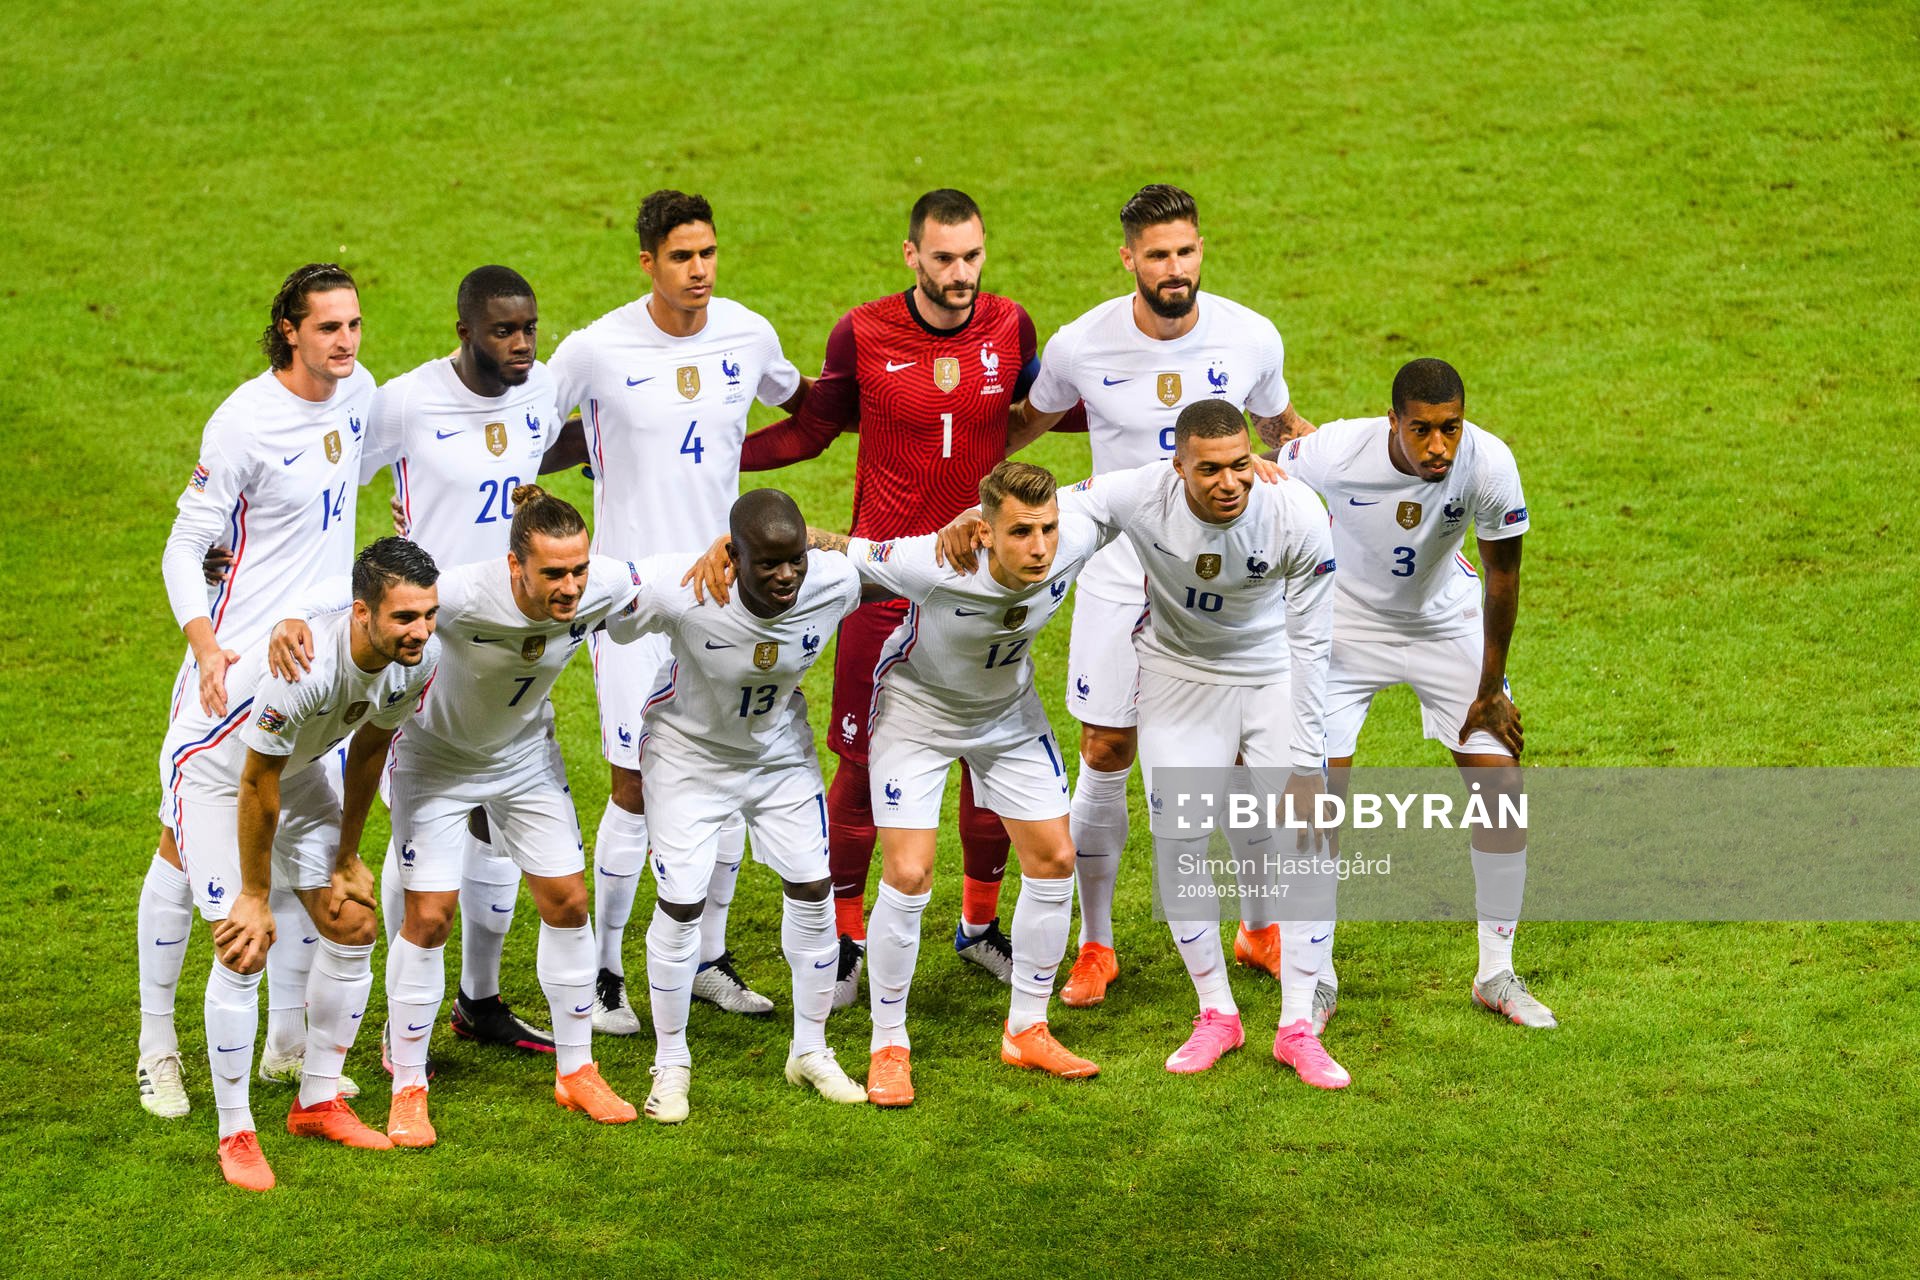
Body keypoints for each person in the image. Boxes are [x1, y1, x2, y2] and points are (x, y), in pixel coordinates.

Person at [1009, 185, 1315, 1008]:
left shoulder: (1250, 334)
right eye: (1156, 256)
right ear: (1129, 259)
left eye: (1185, 252)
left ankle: (1259, 929)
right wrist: (970, 502)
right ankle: (1096, 943)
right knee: (1107, 749)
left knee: (1252, 757)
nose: (1173, 270)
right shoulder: (1082, 345)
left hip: (1224, 583)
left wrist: (1318, 475)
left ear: (1200, 250)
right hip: (1120, 576)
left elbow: (1282, 424)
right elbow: (1020, 430)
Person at [738, 189, 1045, 1007]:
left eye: (973, 256)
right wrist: (703, 458)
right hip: (879, 582)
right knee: (862, 764)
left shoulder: (1012, 326)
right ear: (911, 254)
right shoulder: (862, 332)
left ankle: (980, 927)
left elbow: (1043, 409)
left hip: (982, 584)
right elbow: (812, 430)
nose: (961, 274)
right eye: (944, 258)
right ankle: (844, 937)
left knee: (989, 755)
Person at [275, 488, 647, 1140]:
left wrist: (725, 554)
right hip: (435, 761)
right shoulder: (462, 593)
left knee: (568, 902)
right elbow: (365, 597)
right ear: (514, 568)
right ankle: (409, 1084)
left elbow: (672, 581)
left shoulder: (604, 584)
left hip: (527, 760)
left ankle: (577, 1070)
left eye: (578, 571)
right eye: (554, 574)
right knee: (428, 917)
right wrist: (295, 617)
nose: (570, 587)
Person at [549, 190, 808, 1029]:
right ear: (647, 263)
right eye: (681, 257)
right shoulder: (595, 349)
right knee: (632, 784)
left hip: (727, 596)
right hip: (632, 597)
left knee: (730, 773)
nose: (698, 271)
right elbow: (525, 427)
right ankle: (599, 974)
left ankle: (709, 958)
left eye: (708, 253)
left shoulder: (748, 332)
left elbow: (800, 411)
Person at [1040, 401, 1349, 1089]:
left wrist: (1305, 762)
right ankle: (1217, 1013)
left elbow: (1315, 644)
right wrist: (978, 522)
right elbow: (1055, 507)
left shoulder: (1295, 510)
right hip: (1179, 678)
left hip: (1273, 673)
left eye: (1240, 463)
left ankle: (1298, 1026)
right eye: (1208, 469)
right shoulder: (1139, 492)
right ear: (1176, 467)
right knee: (1179, 844)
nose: (1228, 481)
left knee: (1308, 841)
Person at [141, 264, 374, 1119]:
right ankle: (156, 1048)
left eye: (353, 325)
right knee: (185, 852)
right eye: (328, 328)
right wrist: (204, 647)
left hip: (321, 671)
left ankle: (287, 1048)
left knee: (300, 862)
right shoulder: (244, 420)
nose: (345, 341)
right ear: (288, 329)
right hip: (235, 671)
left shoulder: (360, 394)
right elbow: (185, 542)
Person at [810, 461, 1118, 1106]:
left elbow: (1146, 486)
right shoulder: (934, 562)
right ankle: (888, 1044)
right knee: (911, 873)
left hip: (1006, 716)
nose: (1039, 549)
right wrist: (743, 544)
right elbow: (842, 550)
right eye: (1021, 533)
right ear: (984, 529)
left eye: (1047, 530)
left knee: (1055, 858)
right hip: (917, 714)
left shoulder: (1077, 536)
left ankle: (1027, 1027)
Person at [1276, 358, 1551, 1027]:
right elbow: (1268, 471)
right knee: (1317, 804)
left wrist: (1490, 689)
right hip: (1342, 625)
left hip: (1443, 622)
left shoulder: (1488, 463)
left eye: (1450, 428)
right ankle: (1316, 977)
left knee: (1501, 789)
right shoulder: (1339, 450)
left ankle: (1496, 972)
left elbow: (1502, 574)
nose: (1438, 446)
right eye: (1422, 429)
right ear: (1392, 419)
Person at [358, 264, 588, 1057]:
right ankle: (398, 1018)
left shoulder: (542, 385)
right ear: (464, 332)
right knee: (421, 840)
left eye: (529, 327)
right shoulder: (407, 400)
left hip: (514, 630)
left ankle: (479, 1002)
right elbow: (337, 478)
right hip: (427, 640)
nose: (522, 343)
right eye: (503, 331)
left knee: (497, 822)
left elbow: (545, 447)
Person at [169, 537, 441, 1189]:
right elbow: (254, 781)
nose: (422, 630)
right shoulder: (305, 667)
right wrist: (257, 893)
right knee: (243, 944)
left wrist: (346, 856)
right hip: (215, 774)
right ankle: (235, 1132)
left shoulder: (414, 662)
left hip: (296, 770)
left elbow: (371, 747)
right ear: (361, 613)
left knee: (350, 921)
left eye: (429, 614)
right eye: (405, 617)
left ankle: (316, 1101)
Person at [616, 490, 870, 1123]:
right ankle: (670, 1064)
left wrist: (970, 530)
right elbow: (602, 607)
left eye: (795, 561)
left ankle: (810, 1050)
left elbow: (902, 559)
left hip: (779, 756)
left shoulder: (831, 579)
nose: (786, 577)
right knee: (681, 905)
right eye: (768, 564)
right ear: (734, 554)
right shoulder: (682, 589)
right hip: (687, 757)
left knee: (815, 889)